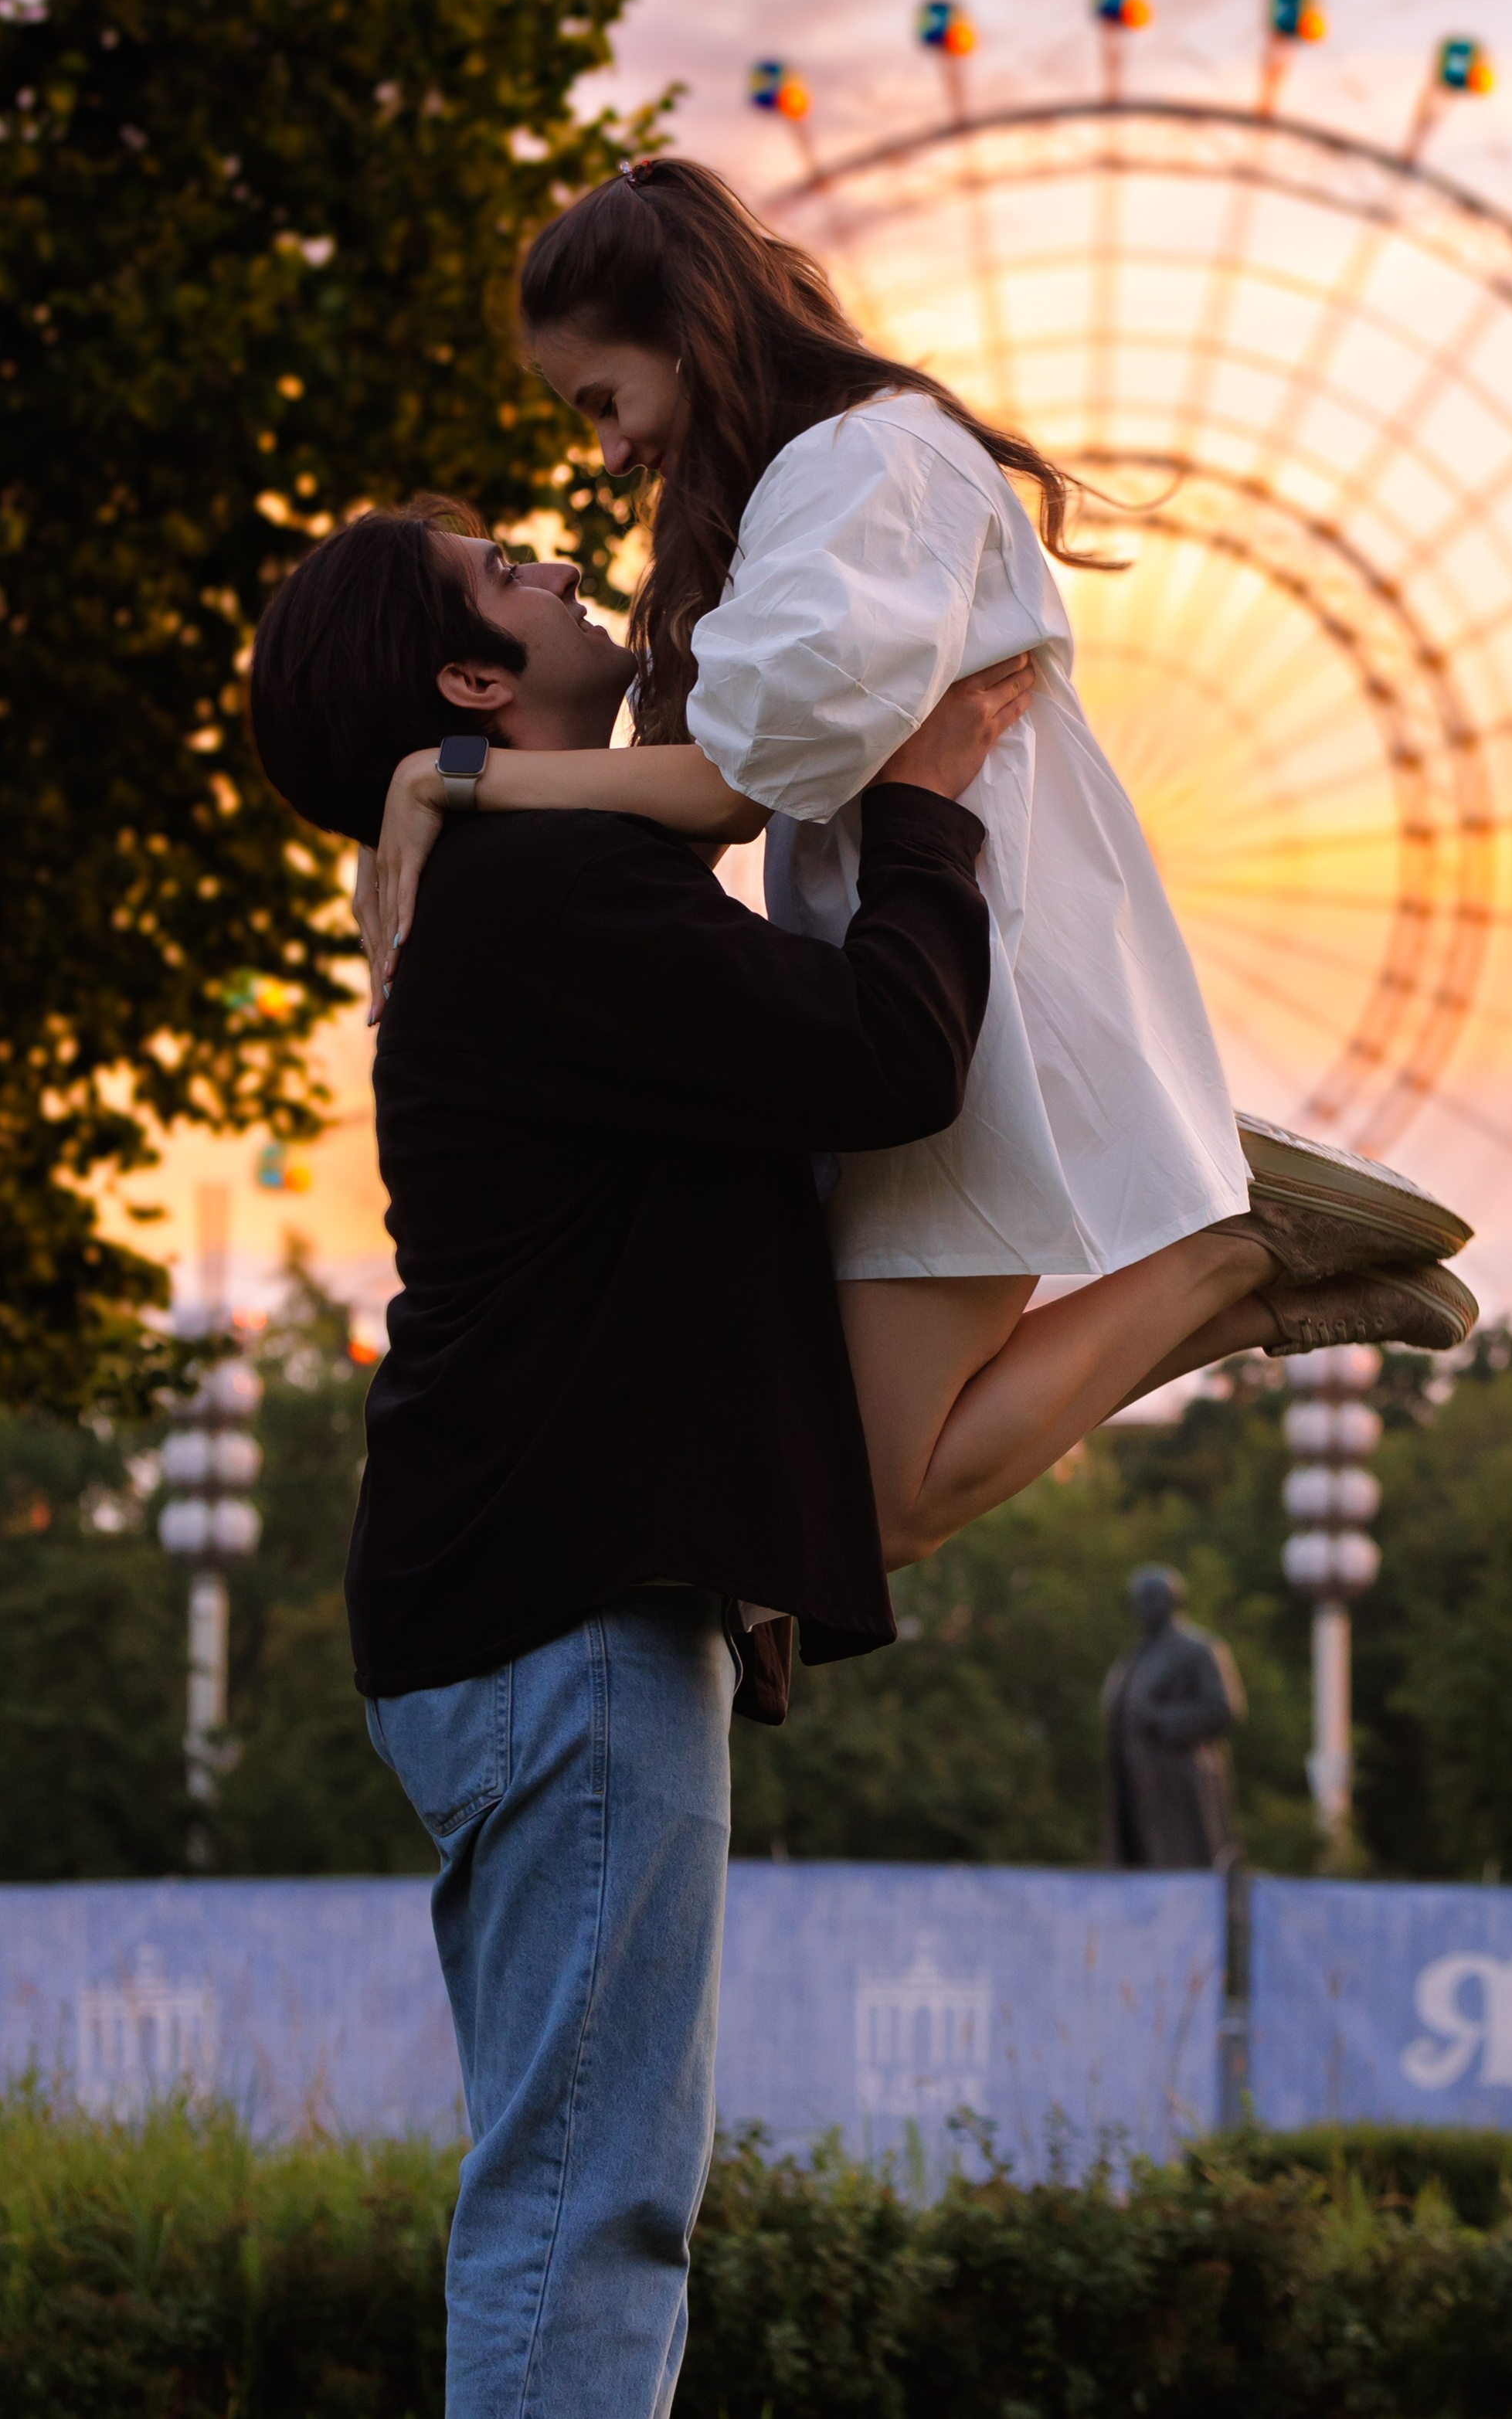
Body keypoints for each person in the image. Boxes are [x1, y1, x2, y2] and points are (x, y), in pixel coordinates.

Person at [362, 158, 1478, 1554]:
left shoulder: (868, 464)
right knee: (869, 1474)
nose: (604, 453)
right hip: (914, 968)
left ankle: (1234, 1245)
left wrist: (457, 775)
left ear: (689, 328)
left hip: (968, 984)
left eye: (603, 399)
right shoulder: (818, 484)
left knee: (879, 1496)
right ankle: (1254, 1270)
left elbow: (728, 784)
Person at [247, 494, 1027, 2418]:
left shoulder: (529, 880)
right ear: (469, 675)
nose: (559, 562)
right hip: (558, 1617)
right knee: (594, 2190)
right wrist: (926, 806)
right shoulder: (534, 901)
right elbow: (879, 1054)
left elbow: (725, 817)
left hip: (531, 1607)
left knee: (588, 2173)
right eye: (509, 572)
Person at [1102, 1564, 1247, 1871]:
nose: (1139, 1609)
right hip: (1136, 1780)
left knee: (1183, 1865)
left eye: (1146, 1600)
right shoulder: (1135, 1655)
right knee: (1137, 1862)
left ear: (1168, 1601)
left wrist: (1161, 1719)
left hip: (1180, 1780)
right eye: (1136, 1602)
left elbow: (1223, 1709)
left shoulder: (1198, 1649)